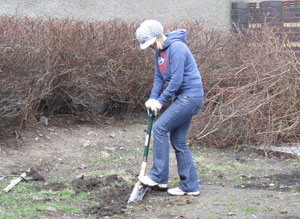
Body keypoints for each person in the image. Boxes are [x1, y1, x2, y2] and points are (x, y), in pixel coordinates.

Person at [135, 20, 204, 196]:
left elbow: (176, 81)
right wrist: (152, 98)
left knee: (159, 129)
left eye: (150, 43)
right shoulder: (159, 52)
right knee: (178, 140)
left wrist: (162, 101)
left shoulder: (177, 48)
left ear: (157, 37)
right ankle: (189, 185)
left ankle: (158, 175)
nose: (150, 47)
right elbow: (159, 79)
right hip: (182, 97)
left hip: (191, 97)